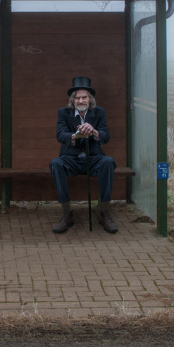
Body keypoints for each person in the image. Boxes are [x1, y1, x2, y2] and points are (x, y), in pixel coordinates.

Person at [50, 76, 118, 234]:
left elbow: (106, 136)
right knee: (55, 164)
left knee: (108, 162)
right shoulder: (63, 113)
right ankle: (67, 213)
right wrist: (77, 135)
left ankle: (104, 212)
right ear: (73, 100)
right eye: (77, 98)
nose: (81, 100)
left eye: (84, 97)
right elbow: (60, 135)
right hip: (71, 159)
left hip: (93, 159)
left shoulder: (99, 112)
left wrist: (93, 132)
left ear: (90, 99)